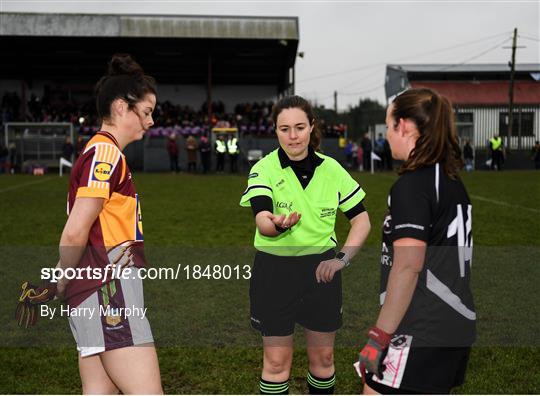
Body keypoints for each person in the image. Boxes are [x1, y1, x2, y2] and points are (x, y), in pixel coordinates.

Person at [16, 54, 163, 394]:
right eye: (146, 111)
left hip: (92, 296)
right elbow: (75, 231)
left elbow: (83, 232)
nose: (151, 121)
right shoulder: (106, 153)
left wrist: (58, 282)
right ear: (121, 108)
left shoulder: (96, 152)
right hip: (109, 293)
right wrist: (65, 280)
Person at [240, 95, 371, 395]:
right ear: (275, 130)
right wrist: (277, 225)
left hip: (321, 272)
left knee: (323, 359)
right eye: (284, 129)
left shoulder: (332, 169)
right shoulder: (263, 169)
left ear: (312, 126)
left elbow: (362, 221)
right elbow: (262, 219)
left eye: (300, 127)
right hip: (274, 272)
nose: (293, 135)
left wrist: (341, 260)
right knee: (275, 362)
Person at [358, 88, 475, 395]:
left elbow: (408, 266)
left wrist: (378, 337)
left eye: (388, 125)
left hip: (418, 328)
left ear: (405, 126)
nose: (387, 136)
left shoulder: (412, 185)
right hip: (453, 327)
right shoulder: (451, 182)